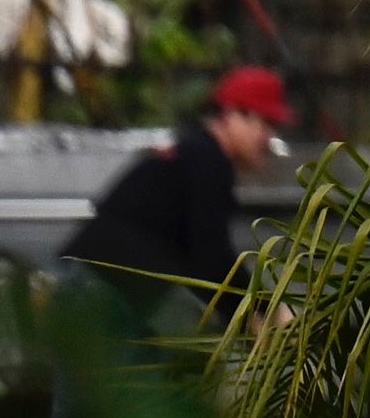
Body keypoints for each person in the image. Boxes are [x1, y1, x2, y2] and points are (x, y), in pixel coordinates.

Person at [63, 65, 291, 316]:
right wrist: (264, 311)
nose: (269, 138)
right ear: (232, 115)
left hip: (88, 286)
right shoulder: (208, 163)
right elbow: (212, 261)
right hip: (99, 297)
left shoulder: (193, 153)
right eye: (266, 124)